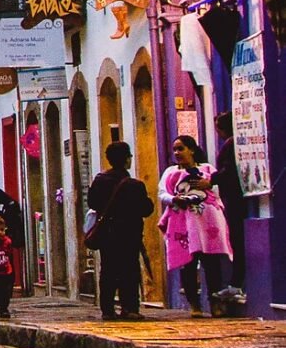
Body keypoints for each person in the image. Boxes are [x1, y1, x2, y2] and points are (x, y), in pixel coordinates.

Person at [159, 135, 233, 318]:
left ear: (191, 150)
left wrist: (207, 186)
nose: (177, 153)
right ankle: (195, 305)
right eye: (175, 149)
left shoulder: (207, 169)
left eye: (181, 148)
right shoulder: (170, 172)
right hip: (182, 223)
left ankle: (215, 303)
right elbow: (162, 193)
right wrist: (174, 199)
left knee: (211, 263)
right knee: (188, 264)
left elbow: (216, 193)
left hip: (206, 222)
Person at [88, 141, 154, 321]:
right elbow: (147, 209)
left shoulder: (100, 180)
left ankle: (107, 309)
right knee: (129, 270)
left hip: (107, 234)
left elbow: (92, 203)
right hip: (129, 234)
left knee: (108, 270)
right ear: (126, 160)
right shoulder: (135, 185)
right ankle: (130, 307)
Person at [212, 112, 246, 304]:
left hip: (234, 199)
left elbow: (227, 171)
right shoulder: (237, 143)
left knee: (237, 240)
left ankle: (236, 284)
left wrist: (211, 180)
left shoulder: (230, 144)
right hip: (237, 198)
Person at [0, 187, 25, 288]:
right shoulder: (7, 205)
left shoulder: (11, 204)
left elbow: (9, 219)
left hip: (13, 236)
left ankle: (11, 280)